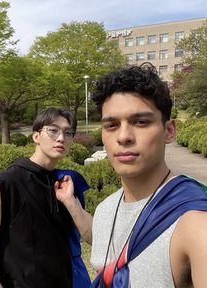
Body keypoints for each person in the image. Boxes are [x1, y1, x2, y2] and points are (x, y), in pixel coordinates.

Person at [56, 63, 207, 288]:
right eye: (111, 125)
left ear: (169, 131)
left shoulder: (195, 222)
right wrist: (70, 201)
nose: (124, 136)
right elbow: (104, 246)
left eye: (140, 122)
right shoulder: (106, 209)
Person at [0, 107, 91, 288]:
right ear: (36, 136)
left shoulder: (65, 183)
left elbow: (94, 238)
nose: (61, 138)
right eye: (53, 131)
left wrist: (70, 202)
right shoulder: (4, 185)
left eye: (68, 133)